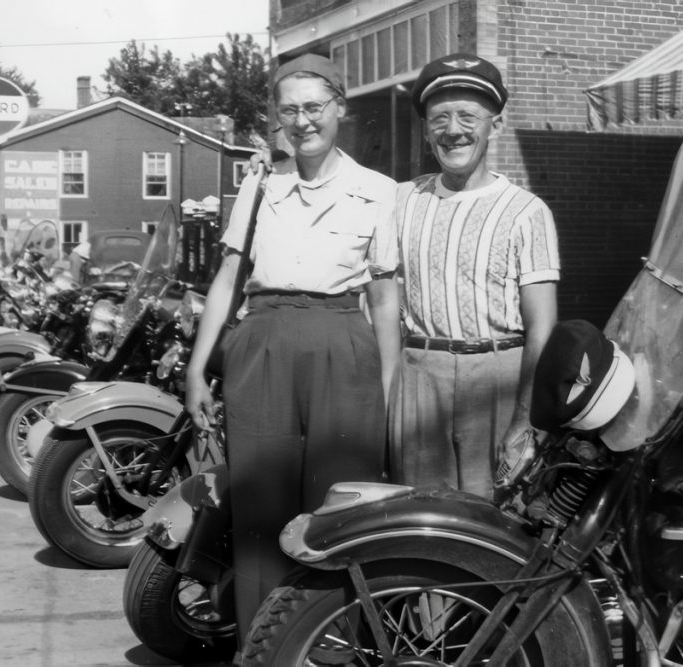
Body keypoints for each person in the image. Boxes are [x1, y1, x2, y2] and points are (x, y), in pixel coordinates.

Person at [183, 53, 401, 645]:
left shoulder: (377, 191)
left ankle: (334, 647)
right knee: (261, 509)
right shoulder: (260, 185)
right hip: (263, 344)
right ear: (276, 118)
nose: (303, 121)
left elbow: (384, 300)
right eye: (289, 111)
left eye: (314, 107)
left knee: (339, 508)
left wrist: (387, 394)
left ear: (340, 109)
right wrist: (198, 369)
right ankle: (261, 648)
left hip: (343, 346)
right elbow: (228, 278)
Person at [390, 53, 559, 499]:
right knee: (420, 514)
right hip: (421, 376)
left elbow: (542, 327)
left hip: (497, 379)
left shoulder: (526, 211)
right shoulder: (401, 200)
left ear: (495, 126)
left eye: (468, 116)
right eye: (439, 118)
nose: (453, 130)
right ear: (425, 130)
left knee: (494, 515)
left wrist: (525, 418)